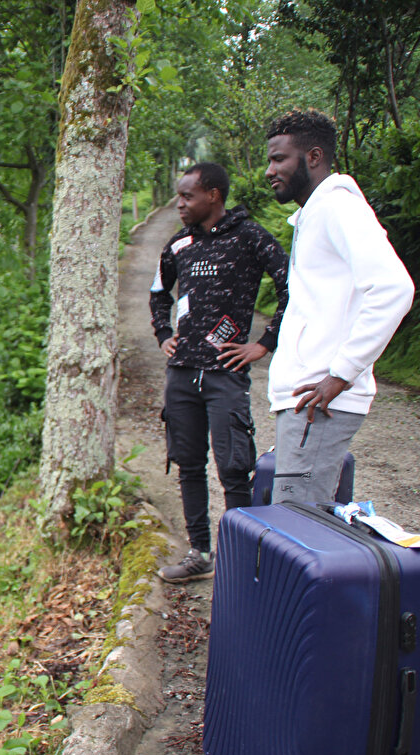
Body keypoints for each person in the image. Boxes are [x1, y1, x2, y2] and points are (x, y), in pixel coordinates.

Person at [264, 110, 414, 504]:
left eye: (279, 159)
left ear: (313, 157)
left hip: (321, 400)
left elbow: (394, 287)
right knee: (298, 530)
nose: (269, 170)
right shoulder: (314, 214)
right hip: (307, 400)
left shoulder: (337, 207)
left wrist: (341, 374)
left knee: (296, 531)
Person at [151, 162, 289, 583]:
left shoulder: (250, 237)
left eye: (187, 196)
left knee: (233, 465)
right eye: (178, 196)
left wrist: (264, 343)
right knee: (188, 462)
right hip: (182, 374)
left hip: (225, 373)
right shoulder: (178, 244)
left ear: (213, 194)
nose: (179, 204)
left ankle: (240, 559)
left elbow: (293, 287)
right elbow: (159, 293)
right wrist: (163, 334)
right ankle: (199, 553)